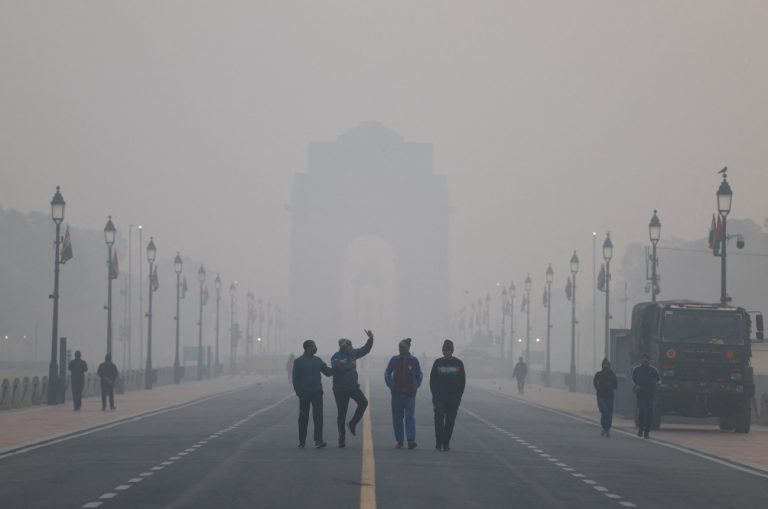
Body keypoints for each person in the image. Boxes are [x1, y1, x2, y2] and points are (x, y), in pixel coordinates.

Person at [331, 330, 374, 448]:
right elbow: (335, 368)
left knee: (364, 402)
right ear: (343, 347)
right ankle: (342, 437)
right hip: (340, 389)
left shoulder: (353, 353)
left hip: (353, 387)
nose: (352, 348)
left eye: (351, 346)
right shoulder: (336, 356)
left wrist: (370, 339)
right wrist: (347, 366)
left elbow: (365, 349)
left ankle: (352, 423)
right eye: (349, 346)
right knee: (342, 413)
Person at [292, 340, 333, 448]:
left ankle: (318, 440)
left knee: (318, 417)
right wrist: (299, 393)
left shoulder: (318, 361)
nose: (315, 348)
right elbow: (295, 379)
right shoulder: (298, 362)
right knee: (303, 418)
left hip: (317, 393)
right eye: (313, 346)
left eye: (315, 346)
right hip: (304, 394)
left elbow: (328, 372)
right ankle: (302, 441)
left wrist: (337, 367)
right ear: (307, 348)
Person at [384, 338, 423, 449]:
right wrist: (391, 385)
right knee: (397, 418)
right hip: (396, 394)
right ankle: (399, 441)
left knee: (409, 417)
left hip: (409, 395)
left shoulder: (414, 361)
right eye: (399, 347)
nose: (400, 349)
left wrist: (415, 387)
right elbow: (387, 373)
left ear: (407, 348)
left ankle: (411, 440)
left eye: (402, 347)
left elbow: (419, 375)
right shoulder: (394, 360)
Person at [430, 339, 466, 451]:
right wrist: (435, 395)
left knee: (450, 422)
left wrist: (458, 397)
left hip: (453, 399)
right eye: (444, 350)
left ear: (452, 351)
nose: (446, 352)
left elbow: (462, 381)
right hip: (439, 397)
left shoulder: (458, 364)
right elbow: (432, 380)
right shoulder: (437, 363)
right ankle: (438, 442)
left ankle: (446, 442)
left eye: (448, 350)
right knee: (438, 420)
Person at [632, 353, 660, 439]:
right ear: (641, 360)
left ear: (649, 360)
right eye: (643, 359)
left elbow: (659, 380)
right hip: (641, 395)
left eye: (647, 359)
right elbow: (632, 380)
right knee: (642, 412)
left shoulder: (653, 370)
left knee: (649, 414)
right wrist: (636, 387)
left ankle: (647, 432)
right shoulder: (636, 370)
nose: (645, 360)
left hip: (650, 395)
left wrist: (656, 383)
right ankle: (640, 429)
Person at [593, 358, 618, 437]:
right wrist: (598, 389)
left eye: (607, 364)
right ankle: (604, 427)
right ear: (602, 365)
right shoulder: (599, 374)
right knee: (604, 411)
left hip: (610, 396)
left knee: (609, 414)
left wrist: (610, 386)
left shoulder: (612, 374)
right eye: (604, 364)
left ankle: (607, 429)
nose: (605, 366)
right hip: (601, 396)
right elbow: (595, 383)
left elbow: (616, 385)